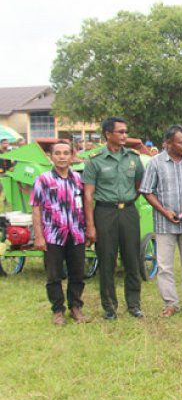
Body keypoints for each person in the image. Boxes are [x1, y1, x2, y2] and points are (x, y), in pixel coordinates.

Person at [82, 117, 144, 320]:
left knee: (132, 259)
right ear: (108, 134)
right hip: (104, 213)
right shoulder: (95, 160)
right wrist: (90, 225)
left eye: (126, 131)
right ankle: (109, 306)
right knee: (107, 260)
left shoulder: (133, 158)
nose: (125, 135)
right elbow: (88, 195)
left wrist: (126, 203)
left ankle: (134, 304)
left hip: (128, 211)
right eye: (121, 132)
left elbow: (138, 188)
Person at [140, 125, 182, 317]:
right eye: (181, 142)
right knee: (165, 266)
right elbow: (146, 191)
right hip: (164, 223)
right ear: (168, 143)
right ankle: (170, 304)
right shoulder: (155, 163)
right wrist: (164, 211)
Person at [31, 141, 90, 325]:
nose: (62, 156)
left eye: (66, 153)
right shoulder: (43, 180)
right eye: (58, 153)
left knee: (77, 273)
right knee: (53, 275)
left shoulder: (79, 180)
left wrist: (89, 228)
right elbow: (36, 209)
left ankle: (75, 307)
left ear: (72, 156)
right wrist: (39, 236)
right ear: (51, 156)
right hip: (53, 235)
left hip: (76, 233)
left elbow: (87, 204)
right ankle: (58, 310)